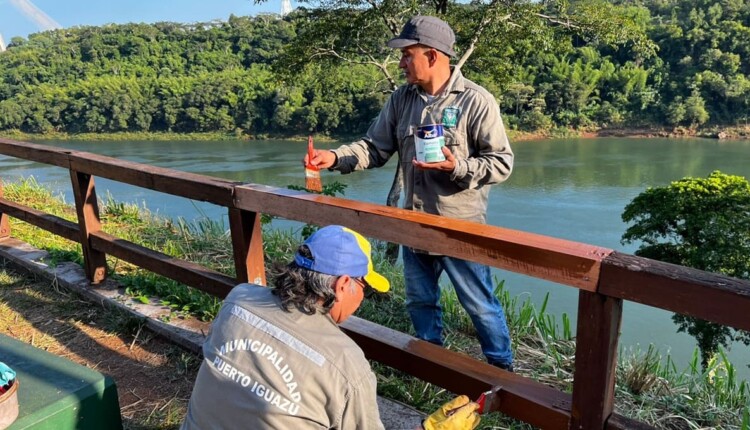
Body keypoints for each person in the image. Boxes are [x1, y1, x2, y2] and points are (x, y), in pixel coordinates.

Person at [305, 16, 515, 371]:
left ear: (432, 56)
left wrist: (458, 167)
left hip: (459, 228)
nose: (400, 62)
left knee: (479, 303)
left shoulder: (476, 102)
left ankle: (502, 371)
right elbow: (374, 147)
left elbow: (502, 163)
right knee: (420, 301)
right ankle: (430, 364)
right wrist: (335, 157)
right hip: (413, 224)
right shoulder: (402, 99)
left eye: (407, 54)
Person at [181, 225, 480, 429]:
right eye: (364, 287)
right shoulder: (346, 363)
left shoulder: (239, 299)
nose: (363, 297)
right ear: (344, 284)